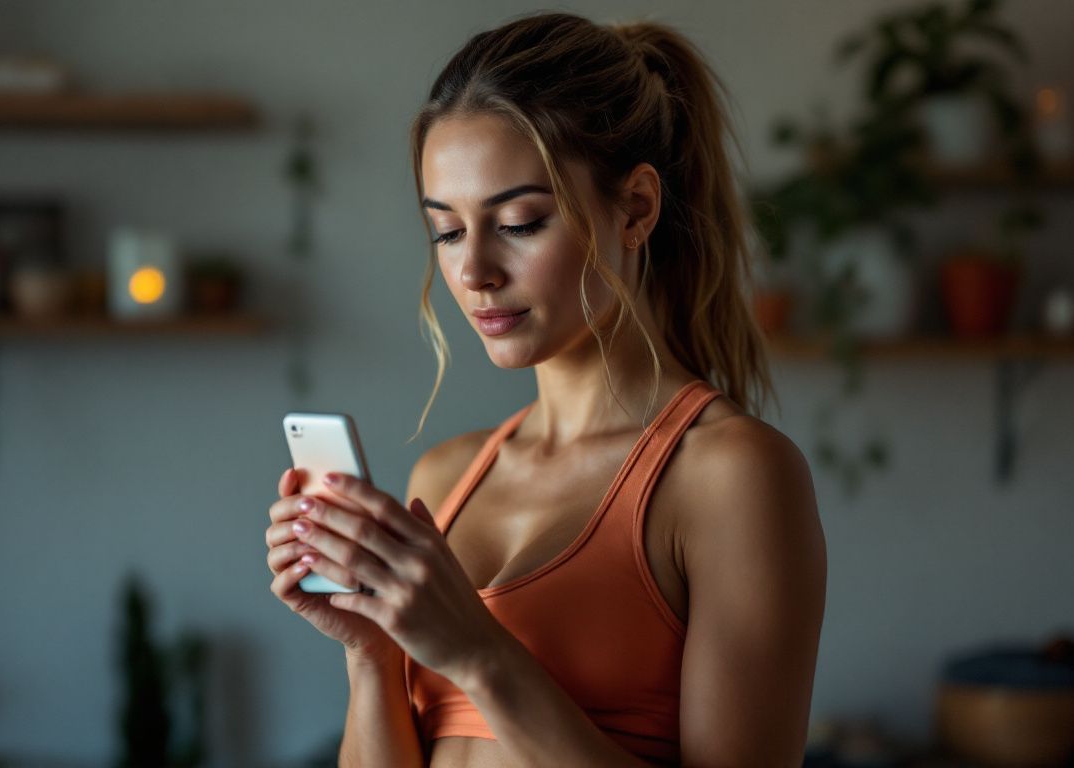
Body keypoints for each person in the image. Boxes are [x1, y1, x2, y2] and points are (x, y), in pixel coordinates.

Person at [265, 11, 826, 767]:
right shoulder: (447, 477)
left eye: (520, 223)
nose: (474, 274)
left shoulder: (732, 477)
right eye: (448, 231)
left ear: (635, 209)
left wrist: (477, 655)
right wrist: (370, 650)